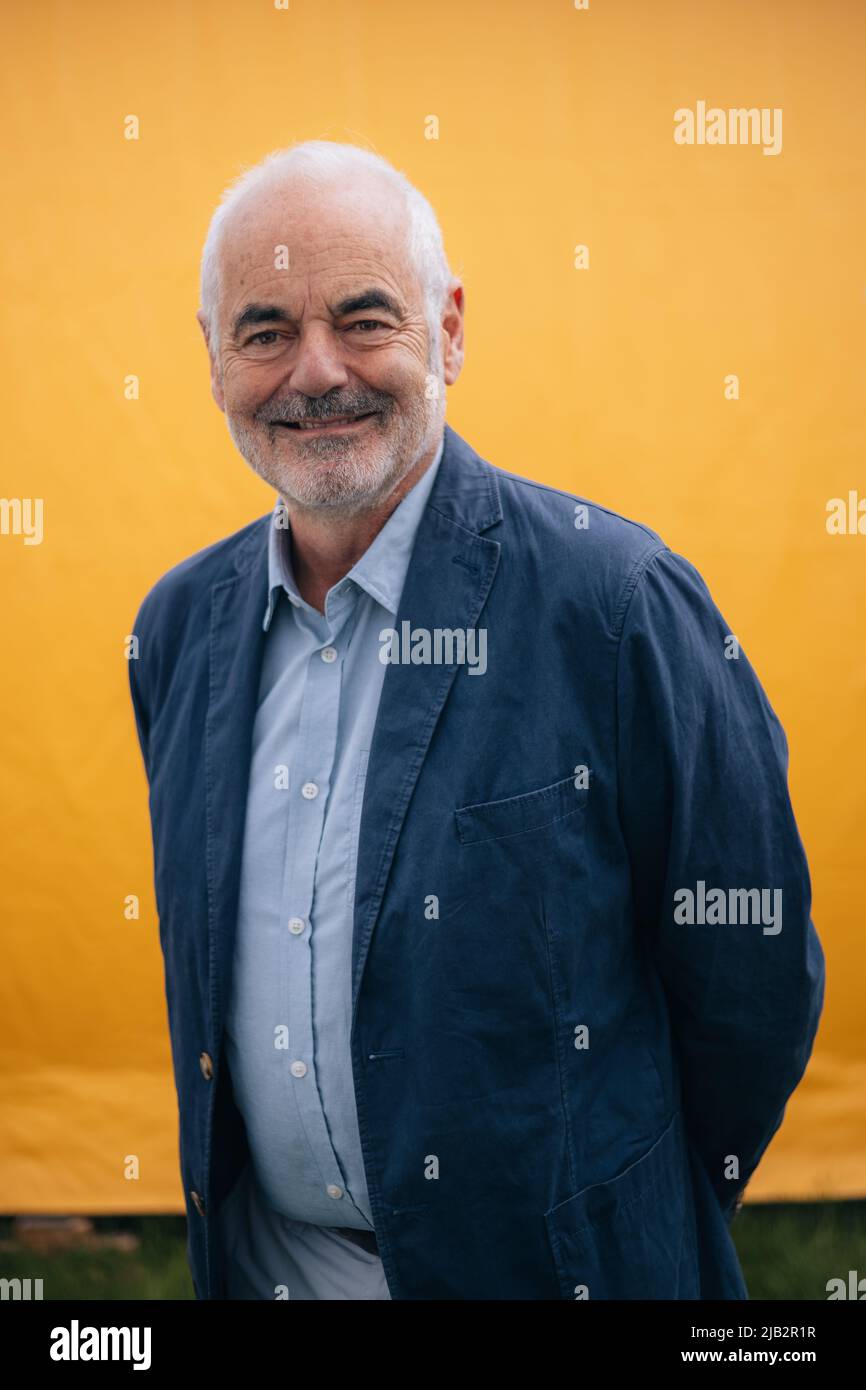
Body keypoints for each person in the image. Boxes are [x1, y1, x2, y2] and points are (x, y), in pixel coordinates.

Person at [128, 139, 824, 1300]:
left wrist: (626, 1198)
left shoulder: (615, 605)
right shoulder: (180, 630)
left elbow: (749, 980)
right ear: (210, 358)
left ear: (447, 330)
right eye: (263, 331)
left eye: (363, 319)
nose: (314, 373)